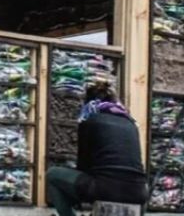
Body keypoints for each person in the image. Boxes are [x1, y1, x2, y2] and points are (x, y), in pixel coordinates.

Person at [46, 81, 149, 216]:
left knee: (52, 175)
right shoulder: (131, 124)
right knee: (137, 187)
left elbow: (83, 165)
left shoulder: (90, 121)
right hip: (138, 193)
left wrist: (74, 196)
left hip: (104, 188)